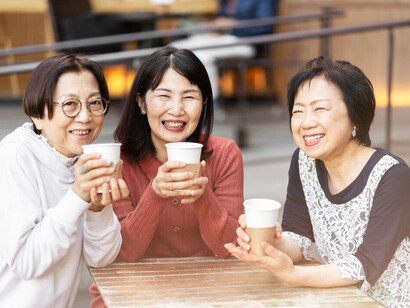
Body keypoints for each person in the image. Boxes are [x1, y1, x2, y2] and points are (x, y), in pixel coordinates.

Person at [225, 56, 410, 308]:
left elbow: (365, 266)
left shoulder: (392, 175)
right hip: (342, 300)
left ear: (355, 116)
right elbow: (299, 239)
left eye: (320, 109)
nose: (306, 122)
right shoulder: (304, 162)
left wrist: (293, 274)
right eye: (298, 111)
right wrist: (265, 242)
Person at [89, 46, 244, 307]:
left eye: (189, 97)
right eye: (164, 96)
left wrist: (201, 193)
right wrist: (156, 193)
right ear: (141, 102)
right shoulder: (118, 160)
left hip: (203, 292)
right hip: (129, 293)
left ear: (205, 102)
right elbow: (125, 251)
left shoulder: (225, 153)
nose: (176, 109)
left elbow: (228, 246)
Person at [0, 54, 129, 307]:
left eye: (94, 103)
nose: (84, 117)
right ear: (38, 115)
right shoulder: (14, 155)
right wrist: (78, 196)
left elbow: (100, 259)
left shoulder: (79, 160)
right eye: (70, 104)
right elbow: (28, 262)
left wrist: (97, 208)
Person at [172, 0, 278, 119]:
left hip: (247, 42)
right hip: (225, 38)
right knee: (178, 47)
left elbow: (265, 25)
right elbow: (222, 19)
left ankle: (210, 103)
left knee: (201, 55)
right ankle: (183, 96)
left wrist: (234, 24)